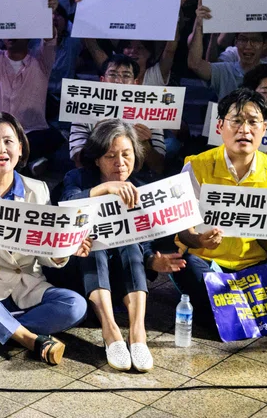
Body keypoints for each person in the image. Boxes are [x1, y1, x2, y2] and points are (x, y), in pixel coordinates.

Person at [0, 112, 89, 364]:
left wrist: (65, 248)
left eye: (9, 141)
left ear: (20, 149)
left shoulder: (38, 190)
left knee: (76, 305)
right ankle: (29, 339)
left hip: (26, 286)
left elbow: (46, 257)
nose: (1, 149)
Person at [173, 88, 267, 317]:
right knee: (185, 268)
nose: (245, 130)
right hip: (207, 263)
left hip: (255, 268)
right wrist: (198, 238)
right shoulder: (196, 166)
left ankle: (229, 308)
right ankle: (253, 308)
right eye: (236, 121)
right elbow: (183, 231)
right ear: (220, 126)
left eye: (253, 122)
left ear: (265, 128)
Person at [62, 120, 186, 372]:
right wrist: (104, 188)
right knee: (96, 243)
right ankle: (111, 331)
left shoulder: (139, 188)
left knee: (131, 247)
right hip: (82, 272)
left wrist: (153, 260)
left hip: (122, 277)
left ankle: (137, 332)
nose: (120, 162)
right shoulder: (76, 177)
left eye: (126, 154)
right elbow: (67, 203)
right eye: (110, 156)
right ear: (96, 159)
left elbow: (145, 242)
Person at [0, 0, 64, 172]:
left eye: (17, 29)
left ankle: (21, 163)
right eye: (7, 29)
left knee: (52, 138)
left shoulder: (41, 62)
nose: (11, 34)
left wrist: (48, 11)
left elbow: (49, 39)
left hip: (32, 134)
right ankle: (27, 165)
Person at [68, 55, 165, 175]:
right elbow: (78, 161)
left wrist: (144, 144)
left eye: (126, 75)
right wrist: (97, 138)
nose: (118, 81)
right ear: (102, 80)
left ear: (136, 83)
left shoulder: (149, 113)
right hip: (94, 177)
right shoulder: (84, 110)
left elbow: (158, 166)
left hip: (136, 178)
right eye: (112, 74)